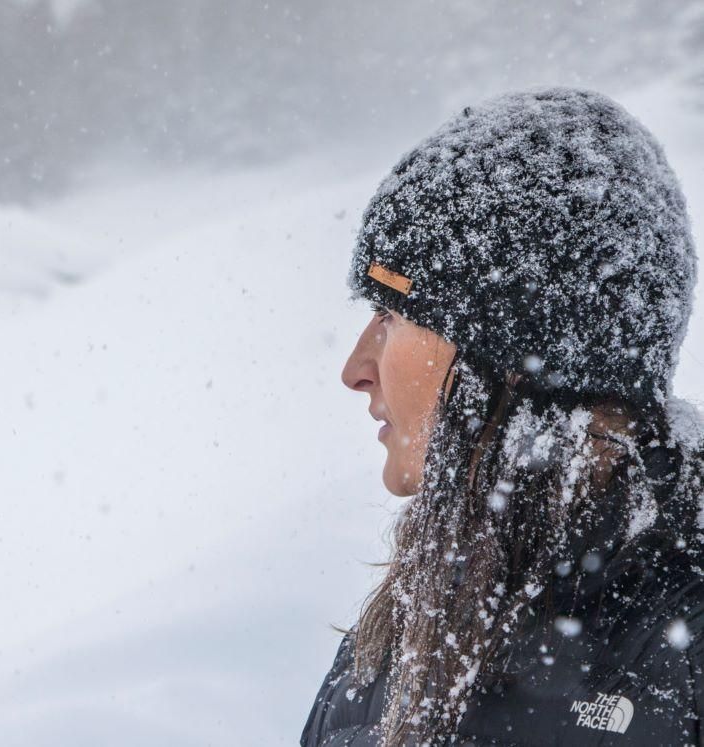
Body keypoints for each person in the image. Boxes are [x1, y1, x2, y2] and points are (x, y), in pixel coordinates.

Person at [299, 87, 704, 745]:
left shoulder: (682, 652)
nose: (355, 368)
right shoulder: (384, 653)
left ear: (518, 352)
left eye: (392, 315)